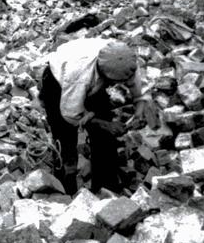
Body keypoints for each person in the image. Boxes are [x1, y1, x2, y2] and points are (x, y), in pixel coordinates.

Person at [40, 38, 145, 195]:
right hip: (58, 81)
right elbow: (71, 114)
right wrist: (103, 123)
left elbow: (133, 80)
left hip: (92, 81)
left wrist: (139, 102)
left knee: (105, 136)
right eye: (113, 82)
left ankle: (105, 188)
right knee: (65, 138)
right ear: (104, 74)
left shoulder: (123, 59)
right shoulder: (79, 75)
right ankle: (64, 189)